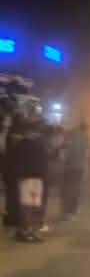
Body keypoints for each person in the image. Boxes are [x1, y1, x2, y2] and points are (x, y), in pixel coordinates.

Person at [6, 103, 48, 242]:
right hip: (27, 176)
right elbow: (14, 154)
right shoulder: (22, 139)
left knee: (34, 204)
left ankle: (31, 230)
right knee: (27, 204)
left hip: (36, 176)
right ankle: (25, 231)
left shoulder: (38, 140)